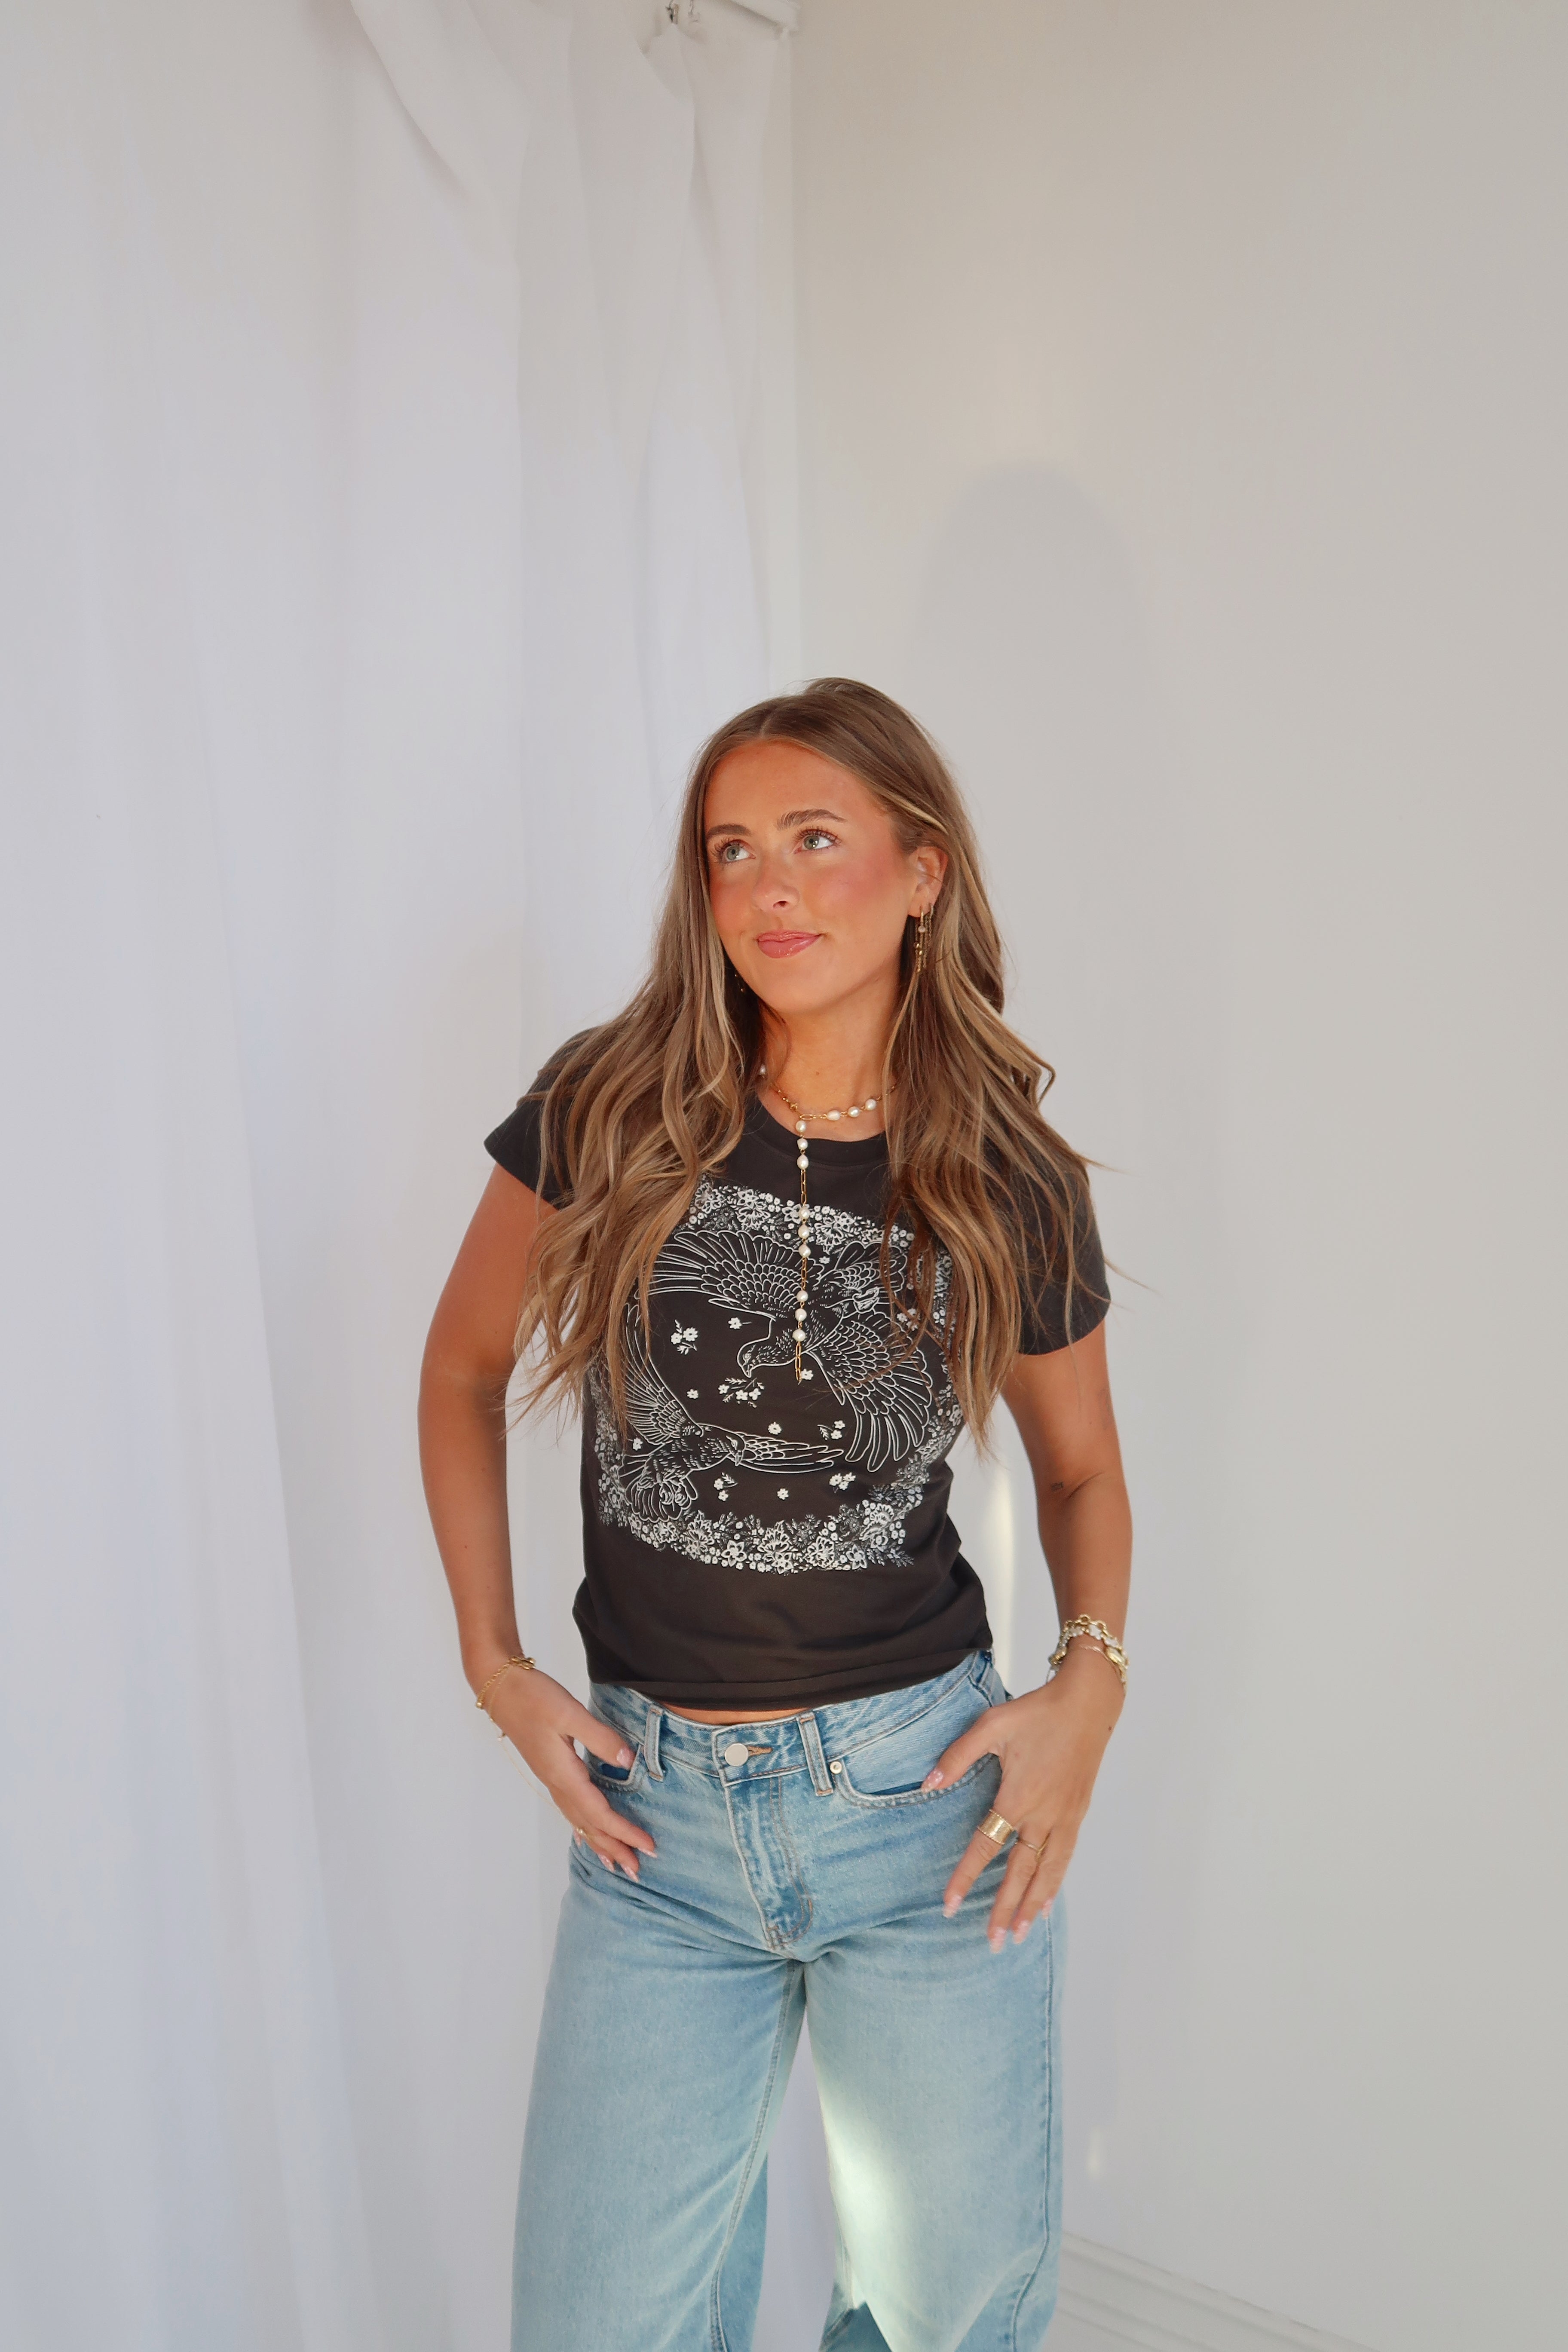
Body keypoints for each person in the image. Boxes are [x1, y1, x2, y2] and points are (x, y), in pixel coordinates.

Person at [418, 677, 1132, 2352]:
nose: (768, 889)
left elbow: (1082, 1471)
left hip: (919, 1812)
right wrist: (493, 1661)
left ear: (922, 872)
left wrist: (1088, 1682)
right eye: (732, 850)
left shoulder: (1007, 1171)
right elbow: (460, 1369)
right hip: (655, 1834)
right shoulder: (614, 1102)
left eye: (816, 840)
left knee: (945, 2322)